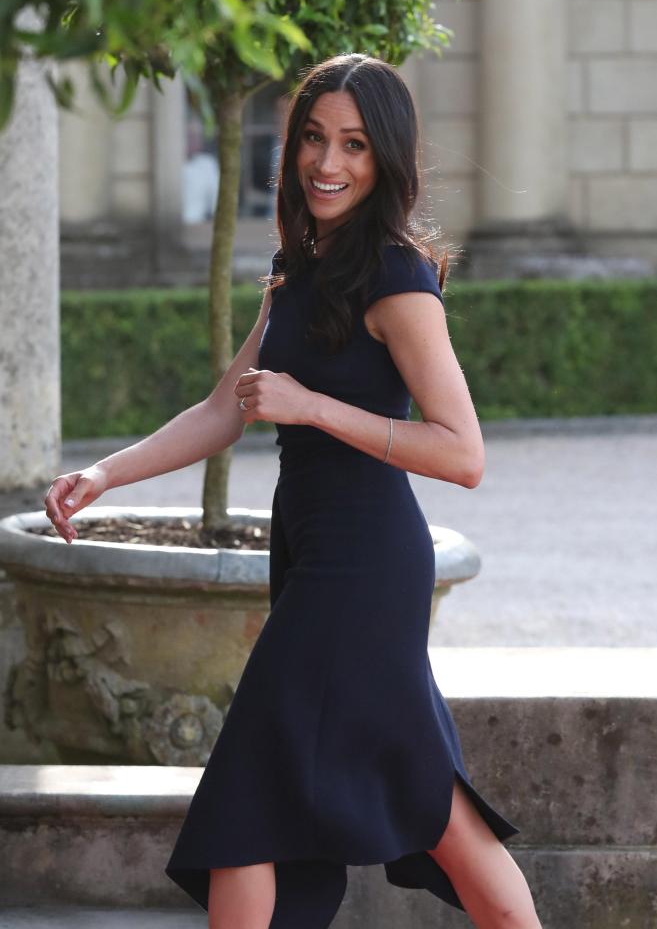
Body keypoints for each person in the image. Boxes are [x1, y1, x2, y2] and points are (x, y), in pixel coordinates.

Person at [44, 53, 543, 929]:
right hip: (313, 555)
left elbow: (462, 453)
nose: (327, 162)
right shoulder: (298, 266)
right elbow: (223, 408)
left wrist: (314, 406)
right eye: (313, 137)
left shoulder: (396, 276)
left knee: (249, 795)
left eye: (353, 144)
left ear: (384, 159)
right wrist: (103, 473)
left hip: (362, 566)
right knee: (427, 801)